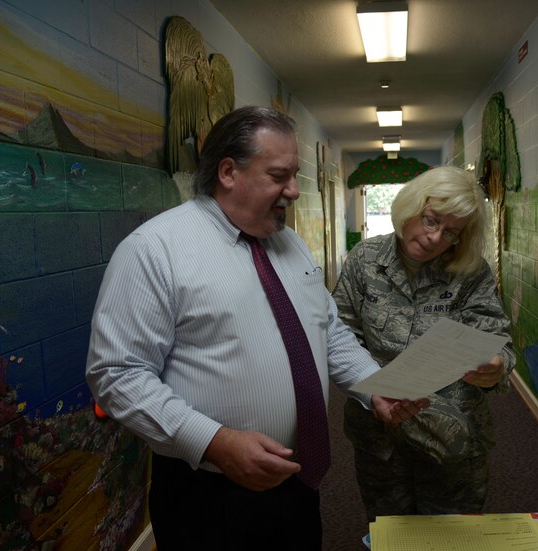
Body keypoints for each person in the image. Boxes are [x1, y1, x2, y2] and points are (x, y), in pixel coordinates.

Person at [86, 105, 428, 550]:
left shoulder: (290, 245)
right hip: (208, 493)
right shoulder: (155, 251)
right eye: (279, 176)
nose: (293, 191)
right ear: (228, 172)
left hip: (297, 478)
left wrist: (375, 386)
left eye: (295, 176)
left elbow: (327, 331)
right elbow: (117, 375)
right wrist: (214, 442)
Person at [332, 165, 516, 521]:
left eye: (451, 233)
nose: (435, 238)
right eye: (431, 221)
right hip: (380, 433)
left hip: (453, 437)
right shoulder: (364, 262)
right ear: (411, 207)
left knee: (454, 535)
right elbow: (340, 336)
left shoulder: (470, 271)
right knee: (389, 529)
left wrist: (495, 367)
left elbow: (498, 343)